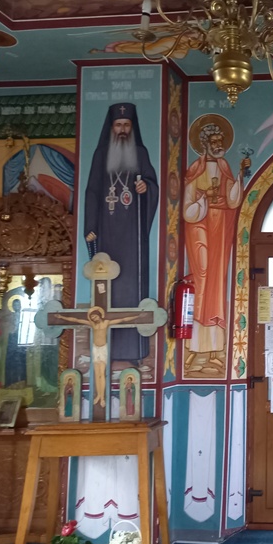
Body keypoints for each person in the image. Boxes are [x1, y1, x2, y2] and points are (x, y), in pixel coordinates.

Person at [84, 102, 159, 364]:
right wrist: (91, 226)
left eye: (127, 125)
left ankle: (135, 351)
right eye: (118, 125)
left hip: (132, 233)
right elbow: (92, 191)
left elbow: (152, 184)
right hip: (107, 231)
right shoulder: (101, 154)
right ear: (112, 127)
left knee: (132, 285)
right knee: (108, 287)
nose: (123, 129)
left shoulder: (140, 152)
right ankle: (109, 349)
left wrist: (145, 188)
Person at [183, 116, 250, 370]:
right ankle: (194, 347)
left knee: (217, 282)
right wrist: (205, 198)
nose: (219, 144)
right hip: (200, 227)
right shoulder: (195, 169)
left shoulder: (223, 166)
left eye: (221, 140)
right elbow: (188, 209)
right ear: (205, 144)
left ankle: (214, 350)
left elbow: (233, 200)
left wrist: (240, 174)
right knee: (201, 276)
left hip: (220, 228)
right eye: (214, 141)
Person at [54, 307, 145, 408]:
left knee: (102, 373)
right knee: (97, 374)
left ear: (99, 315)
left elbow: (122, 319)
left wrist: (137, 316)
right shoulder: (92, 324)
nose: (94, 318)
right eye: (92, 317)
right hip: (95, 349)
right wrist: (61, 317)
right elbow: (76, 320)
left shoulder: (106, 323)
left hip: (103, 349)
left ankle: (102, 397)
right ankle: (98, 395)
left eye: (95, 316)